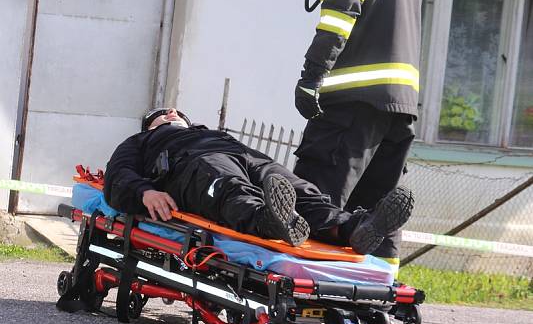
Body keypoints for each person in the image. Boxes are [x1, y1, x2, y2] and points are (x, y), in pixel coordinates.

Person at [292, 0, 422, 263]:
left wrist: (312, 75)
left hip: (350, 100)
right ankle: (376, 310)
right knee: (376, 221)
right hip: (401, 105)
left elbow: (341, 8)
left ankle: (298, 303)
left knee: (309, 206)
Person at [104, 107, 414, 255]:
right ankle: (267, 221)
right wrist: (144, 192)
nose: (170, 112)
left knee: (301, 191)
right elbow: (117, 177)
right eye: (161, 114)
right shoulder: (141, 142)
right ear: (149, 125)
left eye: (175, 111)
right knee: (229, 186)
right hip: (191, 165)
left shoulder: (211, 131)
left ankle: (352, 227)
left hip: (245, 155)